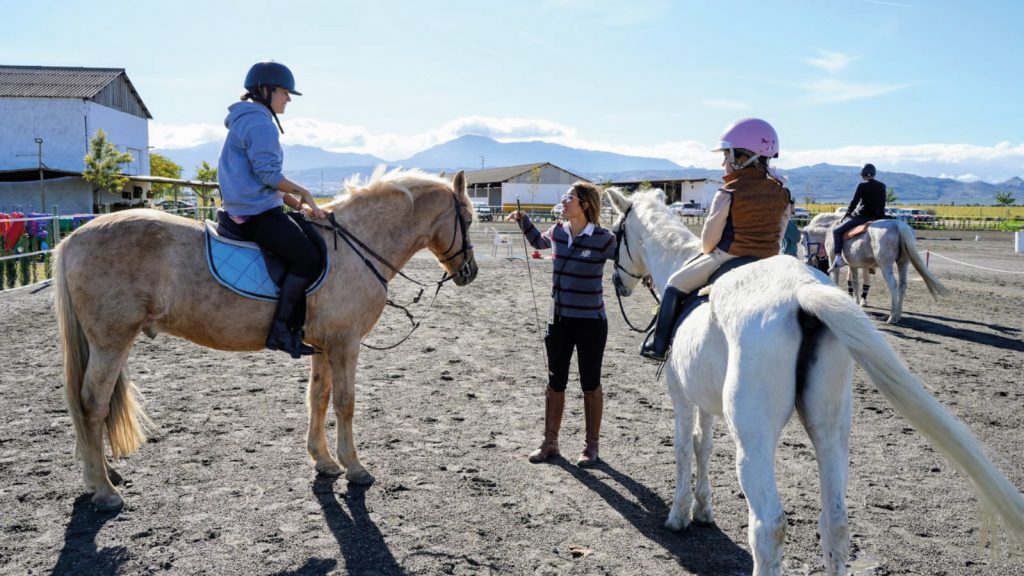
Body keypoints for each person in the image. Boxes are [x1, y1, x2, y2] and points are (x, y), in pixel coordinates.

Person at [641, 117, 791, 361]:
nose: (724, 162)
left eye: (726, 155)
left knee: (673, 285)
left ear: (741, 158)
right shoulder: (783, 192)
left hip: (728, 256)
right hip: (770, 260)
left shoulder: (728, 192)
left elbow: (708, 243)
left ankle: (658, 346)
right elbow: (780, 235)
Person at [218, 61, 326, 359]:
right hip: (255, 213)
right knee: (307, 258)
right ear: (265, 91)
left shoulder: (249, 118)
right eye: (284, 92)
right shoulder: (259, 122)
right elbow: (267, 174)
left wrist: (296, 204)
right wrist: (303, 192)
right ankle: (280, 330)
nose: (288, 98)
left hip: (252, 205)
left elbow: (262, 179)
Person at [508, 182, 615, 467]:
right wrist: (523, 220)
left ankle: (591, 447)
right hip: (559, 321)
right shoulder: (557, 231)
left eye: (569, 198)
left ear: (585, 205)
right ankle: (550, 443)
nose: (563, 201)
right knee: (555, 381)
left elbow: (630, 260)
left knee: (590, 383)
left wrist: (645, 275)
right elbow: (537, 242)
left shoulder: (604, 239)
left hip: (592, 322)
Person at [830, 163, 886, 271]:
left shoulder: (862, 185)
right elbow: (882, 203)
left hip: (863, 216)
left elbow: (855, 201)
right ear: (874, 173)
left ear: (863, 174)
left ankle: (838, 258)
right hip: (878, 217)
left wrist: (848, 213)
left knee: (836, 231)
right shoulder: (882, 186)